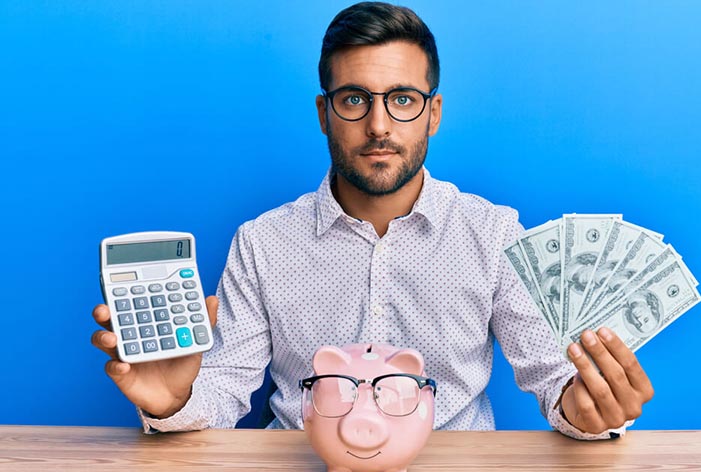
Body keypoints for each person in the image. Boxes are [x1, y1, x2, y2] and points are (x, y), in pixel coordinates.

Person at [92, 1, 653, 439]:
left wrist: (586, 410)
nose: (379, 125)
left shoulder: (494, 234)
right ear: (324, 113)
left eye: (403, 99)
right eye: (355, 99)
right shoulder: (261, 243)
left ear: (432, 114)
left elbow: (555, 381)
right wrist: (174, 402)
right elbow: (222, 393)